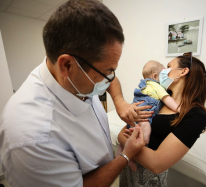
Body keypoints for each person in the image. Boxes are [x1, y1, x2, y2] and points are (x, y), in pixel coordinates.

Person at [0, 1, 152, 187]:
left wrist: (120, 102)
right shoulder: (34, 139)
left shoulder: (70, 76)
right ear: (67, 65)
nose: (111, 78)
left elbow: (110, 78)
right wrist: (125, 156)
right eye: (107, 71)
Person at [118, 53, 206, 187]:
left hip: (148, 179)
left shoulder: (195, 115)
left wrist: (127, 146)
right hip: (127, 171)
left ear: (183, 71)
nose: (164, 71)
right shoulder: (156, 99)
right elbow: (123, 131)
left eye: (168, 66)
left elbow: (156, 163)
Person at [116, 60, 180, 171]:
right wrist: (179, 108)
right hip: (144, 116)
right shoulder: (156, 86)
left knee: (129, 133)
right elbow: (167, 99)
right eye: (164, 74)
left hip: (133, 114)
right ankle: (137, 151)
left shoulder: (144, 84)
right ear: (155, 76)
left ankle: (120, 156)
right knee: (144, 134)